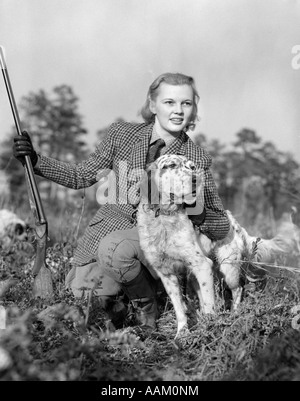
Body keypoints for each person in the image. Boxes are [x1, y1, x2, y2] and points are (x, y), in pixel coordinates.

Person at [13, 72, 230, 330]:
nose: (178, 111)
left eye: (186, 103)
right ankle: (129, 301)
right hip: (107, 236)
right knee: (86, 301)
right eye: (169, 102)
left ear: (194, 108)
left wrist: (195, 207)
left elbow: (220, 225)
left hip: (156, 242)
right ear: (152, 105)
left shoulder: (196, 158)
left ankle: (150, 307)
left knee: (115, 252)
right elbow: (80, 175)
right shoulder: (121, 135)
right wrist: (35, 160)